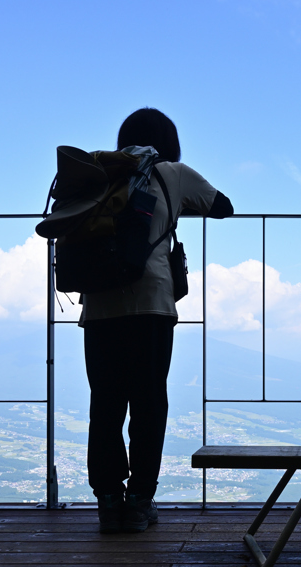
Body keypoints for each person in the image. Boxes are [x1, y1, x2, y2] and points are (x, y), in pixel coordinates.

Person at [79, 108, 233, 533]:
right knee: (148, 405)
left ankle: (108, 502)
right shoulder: (172, 172)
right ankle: (140, 502)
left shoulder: (98, 174)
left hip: (100, 308)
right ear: (170, 141)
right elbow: (224, 207)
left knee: (105, 405)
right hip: (152, 305)